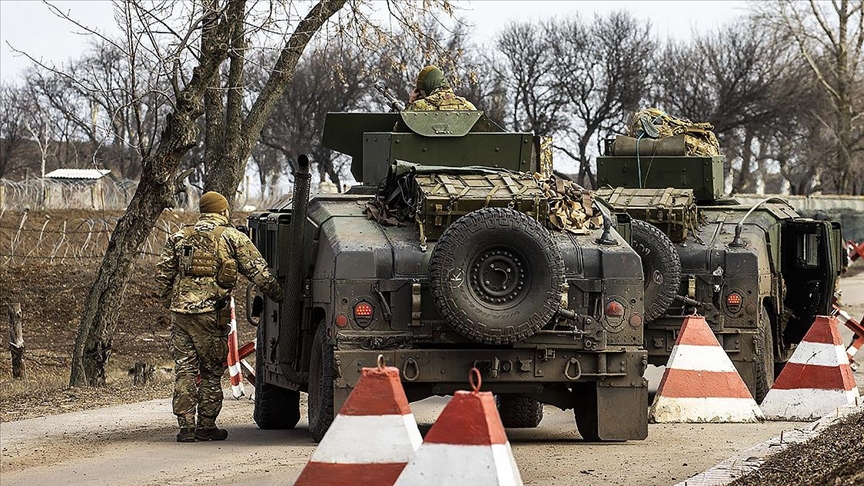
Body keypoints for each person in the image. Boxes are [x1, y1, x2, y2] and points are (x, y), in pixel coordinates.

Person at [155, 191, 283, 442]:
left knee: (185, 370)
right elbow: (259, 274)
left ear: (203, 211)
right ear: (223, 211)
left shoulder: (180, 237)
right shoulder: (232, 237)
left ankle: (185, 428)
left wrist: (173, 302)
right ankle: (205, 425)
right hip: (211, 316)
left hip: (180, 315)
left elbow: (162, 277)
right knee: (212, 371)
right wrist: (281, 297)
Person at [405, 65, 476, 111]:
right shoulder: (468, 106)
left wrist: (411, 102)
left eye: (421, 90)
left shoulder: (419, 106)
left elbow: (399, 129)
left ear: (426, 87)